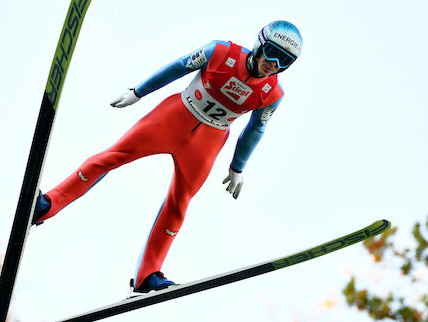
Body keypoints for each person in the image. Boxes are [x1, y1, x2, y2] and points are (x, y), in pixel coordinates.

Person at [32, 20, 303, 294]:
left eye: (284, 61)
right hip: (174, 117)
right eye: (271, 53)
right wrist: (138, 91)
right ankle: (48, 204)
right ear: (259, 44)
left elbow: (256, 128)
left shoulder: (273, 94)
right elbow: (178, 67)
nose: (273, 63)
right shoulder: (221, 52)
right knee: (112, 156)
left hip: (207, 143)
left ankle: (148, 274)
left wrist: (237, 167)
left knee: (179, 203)